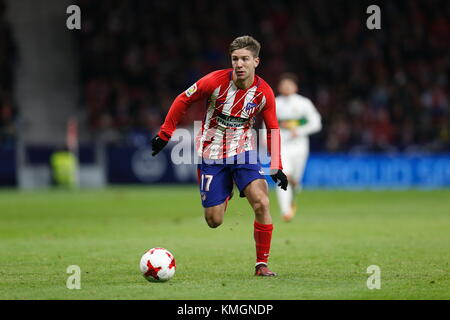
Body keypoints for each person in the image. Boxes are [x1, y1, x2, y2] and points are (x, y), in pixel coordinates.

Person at [151, 35, 288, 276]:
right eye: (235, 59)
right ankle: (226, 193)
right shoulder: (214, 81)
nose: (239, 64)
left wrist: (276, 164)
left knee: (262, 202)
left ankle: (261, 264)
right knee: (214, 221)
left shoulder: (264, 92)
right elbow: (183, 99)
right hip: (211, 155)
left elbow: (272, 127)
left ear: (256, 61)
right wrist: (165, 133)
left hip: (244, 152)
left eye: (245, 59)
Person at [275, 73, 322, 222]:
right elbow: (268, 123)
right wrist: (265, 138)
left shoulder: (304, 103)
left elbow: (316, 123)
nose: (286, 87)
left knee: (294, 179)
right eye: (284, 84)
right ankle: (285, 211)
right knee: (283, 175)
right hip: (281, 144)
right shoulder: (275, 103)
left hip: (300, 145)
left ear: (295, 87)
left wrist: (300, 131)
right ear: (279, 87)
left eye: (289, 84)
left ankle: (294, 190)